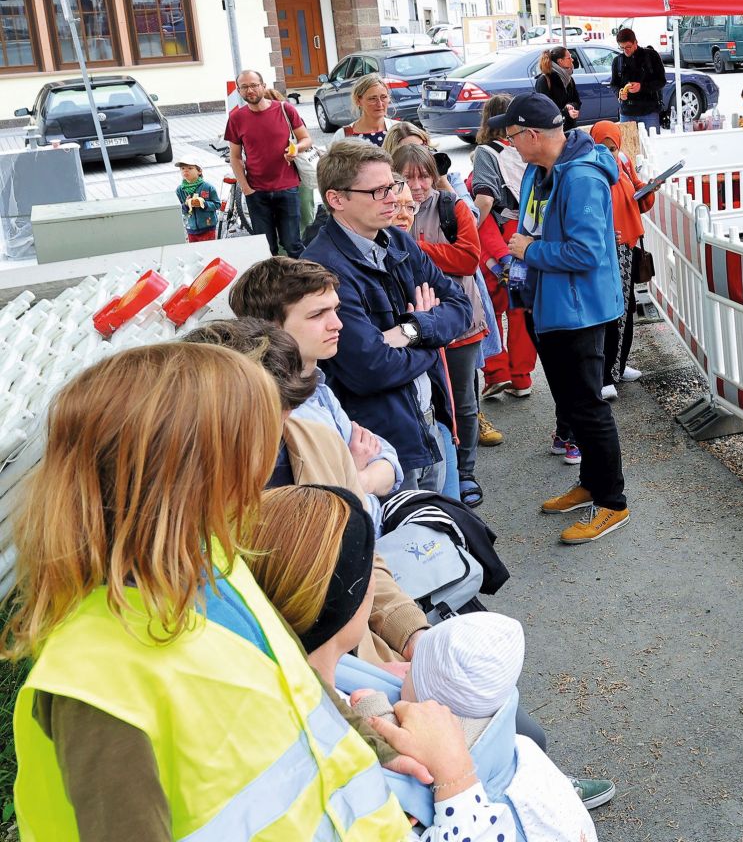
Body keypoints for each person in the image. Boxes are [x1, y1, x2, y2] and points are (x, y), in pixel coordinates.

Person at [4, 343, 495, 842]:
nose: (265, 465)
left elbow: (294, 683)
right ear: (192, 473)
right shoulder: (96, 684)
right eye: (252, 446)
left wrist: (376, 745)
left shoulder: (214, 562)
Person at [246, 488, 598, 841]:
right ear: (350, 602)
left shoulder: (284, 676)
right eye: (370, 570)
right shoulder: (347, 772)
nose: (379, 575)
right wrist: (455, 775)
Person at [180, 317, 430, 660]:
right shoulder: (184, 502)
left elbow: (361, 556)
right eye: (259, 417)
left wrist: (411, 632)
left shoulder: (321, 442)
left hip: (364, 657)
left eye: (285, 408)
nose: (282, 424)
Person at [495, 92, 630, 545]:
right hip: (548, 303)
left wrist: (530, 251)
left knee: (588, 408)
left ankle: (612, 503)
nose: (509, 144)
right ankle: (591, 484)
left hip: (579, 310)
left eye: (512, 136)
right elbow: (532, 226)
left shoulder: (582, 178)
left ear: (533, 135)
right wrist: (522, 254)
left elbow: (588, 252)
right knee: (572, 405)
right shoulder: (540, 170)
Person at [302, 139, 471, 494]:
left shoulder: (398, 241)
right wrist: (431, 343)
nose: (394, 198)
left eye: (393, 186)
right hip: (381, 443)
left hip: (428, 420)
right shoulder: (323, 267)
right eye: (378, 191)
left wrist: (411, 330)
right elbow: (370, 369)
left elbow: (460, 306)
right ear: (336, 199)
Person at [227, 256, 407, 505]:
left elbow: (388, 460)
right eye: (317, 315)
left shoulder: (317, 388)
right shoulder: (270, 414)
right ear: (269, 327)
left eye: (335, 309)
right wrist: (354, 475)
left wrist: (353, 479)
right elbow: (317, 506)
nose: (337, 324)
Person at [394, 142, 491, 509]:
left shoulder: (452, 208)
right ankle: (437, 471)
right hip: (415, 326)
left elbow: (468, 258)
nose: (417, 185)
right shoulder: (391, 210)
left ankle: (465, 471)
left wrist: (415, 247)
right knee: (428, 401)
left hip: (460, 324)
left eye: (424, 176)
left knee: (463, 402)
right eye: (407, 177)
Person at [470, 93, 536, 405]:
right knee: (520, 309)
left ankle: (496, 373)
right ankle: (522, 377)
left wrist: (467, 228)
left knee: (489, 307)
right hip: (523, 235)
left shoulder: (485, 153)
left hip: (494, 235)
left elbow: (484, 201)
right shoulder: (526, 151)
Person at [589, 121, 653, 399]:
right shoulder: (591, 168)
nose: (610, 153)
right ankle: (605, 374)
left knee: (626, 307)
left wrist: (649, 188)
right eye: (605, 147)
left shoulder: (622, 162)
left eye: (613, 148)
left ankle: (619, 365)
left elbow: (638, 197)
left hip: (626, 244)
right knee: (610, 310)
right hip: (608, 247)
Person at [224, 67, 311, 256]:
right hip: (257, 191)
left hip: (287, 187)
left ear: (263, 86)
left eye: (254, 85)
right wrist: (246, 189)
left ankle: (302, 283)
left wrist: (295, 149)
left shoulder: (285, 109)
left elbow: (306, 139)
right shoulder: (236, 118)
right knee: (265, 248)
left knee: (292, 245)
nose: (250, 90)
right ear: (239, 91)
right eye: (244, 87)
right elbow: (235, 157)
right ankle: (273, 284)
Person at [611, 26, 667, 130]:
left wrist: (641, 87)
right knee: (628, 145)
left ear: (635, 42)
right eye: (622, 48)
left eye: (628, 47)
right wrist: (619, 93)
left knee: (651, 144)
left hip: (649, 111)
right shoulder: (617, 61)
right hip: (627, 112)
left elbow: (661, 81)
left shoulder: (651, 56)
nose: (625, 51)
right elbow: (614, 84)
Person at [341, 74, 399, 145]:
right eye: (372, 98)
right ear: (358, 101)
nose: (379, 104)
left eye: (383, 97)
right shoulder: (344, 135)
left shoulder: (398, 130)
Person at [535, 46, 582, 131]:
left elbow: (577, 101)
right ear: (560, 61)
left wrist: (571, 106)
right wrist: (566, 111)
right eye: (569, 58)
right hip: (552, 131)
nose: (572, 60)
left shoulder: (569, 79)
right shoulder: (544, 80)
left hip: (570, 128)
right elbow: (545, 108)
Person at [175, 160, 220, 243]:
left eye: (190, 168)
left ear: (199, 171)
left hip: (208, 226)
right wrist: (186, 204)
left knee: (209, 249)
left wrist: (204, 204)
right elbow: (178, 209)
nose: (185, 170)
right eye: (182, 168)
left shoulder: (208, 187)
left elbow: (217, 204)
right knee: (194, 249)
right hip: (190, 227)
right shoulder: (180, 190)